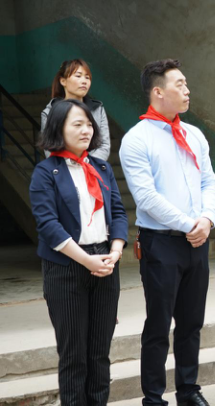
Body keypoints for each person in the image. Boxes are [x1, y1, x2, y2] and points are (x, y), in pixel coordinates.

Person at [119, 59, 215, 406]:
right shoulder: (137, 139)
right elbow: (146, 198)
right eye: (180, 84)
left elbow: (209, 180)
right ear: (158, 92)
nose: (187, 90)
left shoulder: (195, 134)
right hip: (160, 243)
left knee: (192, 322)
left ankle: (188, 390)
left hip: (197, 240)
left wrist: (207, 219)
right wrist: (190, 224)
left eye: (186, 83)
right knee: (159, 325)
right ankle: (153, 397)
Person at [30, 99, 127, 405]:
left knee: (99, 353)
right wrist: (87, 261)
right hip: (67, 266)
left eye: (89, 124)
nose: (86, 130)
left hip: (105, 261)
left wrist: (115, 251)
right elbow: (49, 225)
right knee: (74, 355)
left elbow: (118, 213)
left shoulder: (101, 168)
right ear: (58, 129)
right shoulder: (45, 172)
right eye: (77, 124)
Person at [41, 59, 111, 160]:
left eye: (87, 77)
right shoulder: (50, 112)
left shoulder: (97, 109)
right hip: (64, 167)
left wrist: (86, 165)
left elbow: (104, 145)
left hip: (93, 167)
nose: (84, 81)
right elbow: (49, 148)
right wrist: (73, 166)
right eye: (78, 76)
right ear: (63, 81)